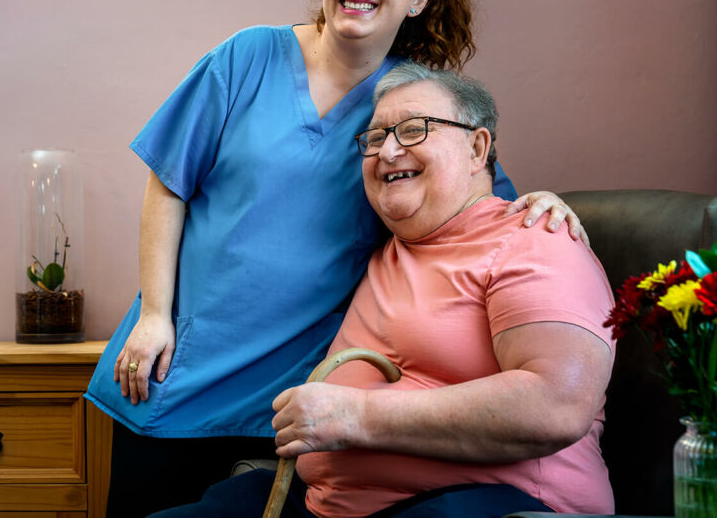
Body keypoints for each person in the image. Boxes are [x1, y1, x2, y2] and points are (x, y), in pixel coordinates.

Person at [84, 0, 587, 516]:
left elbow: (474, 205)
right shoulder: (247, 58)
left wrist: (544, 202)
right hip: (173, 371)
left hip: (288, 399)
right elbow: (169, 184)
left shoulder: (408, 104)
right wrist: (155, 314)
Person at [149, 64, 615, 518]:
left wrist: (354, 417)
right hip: (319, 500)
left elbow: (556, 405)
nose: (388, 152)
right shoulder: (381, 245)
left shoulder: (536, 240)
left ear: (477, 148)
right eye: (374, 139)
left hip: (490, 502)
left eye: (414, 129)